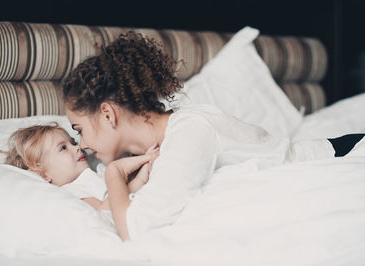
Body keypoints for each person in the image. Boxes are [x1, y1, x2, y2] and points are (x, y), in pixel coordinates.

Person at [63, 31, 365, 241]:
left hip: (337, 155)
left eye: (79, 130)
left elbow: (137, 228)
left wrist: (113, 175)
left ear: (107, 114)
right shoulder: (152, 151)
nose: (83, 145)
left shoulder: (189, 131)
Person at [0, 122, 158, 212]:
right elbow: (105, 209)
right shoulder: (71, 192)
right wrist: (138, 174)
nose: (78, 147)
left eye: (72, 142)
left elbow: (123, 191)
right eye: (63, 148)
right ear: (44, 174)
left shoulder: (95, 172)